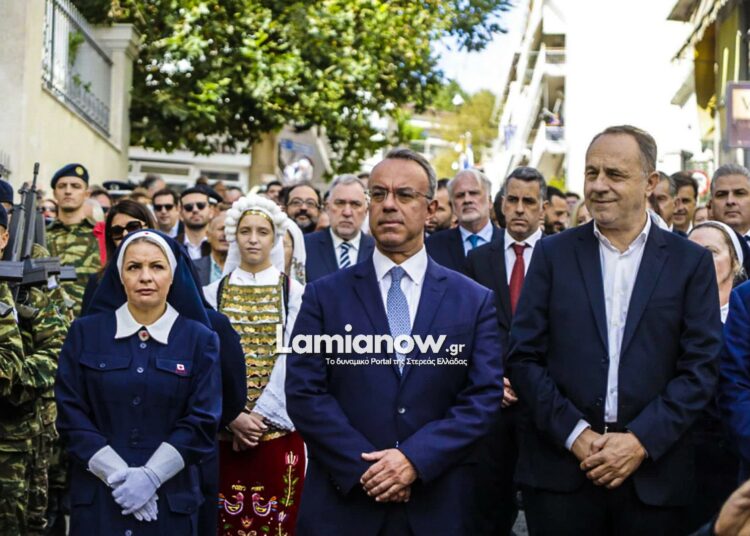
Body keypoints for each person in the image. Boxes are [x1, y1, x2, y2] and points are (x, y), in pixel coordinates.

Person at [507, 125, 722, 535]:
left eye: (615, 174)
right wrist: (576, 436)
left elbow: (701, 368)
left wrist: (640, 441)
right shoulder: (553, 254)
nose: (599, 185)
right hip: (561, 477)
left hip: (654, 480)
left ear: (650, 182)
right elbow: (523, 357)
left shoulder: (689, 263)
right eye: (592, 173)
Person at [285, 148, 503, 535]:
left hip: (437, 505)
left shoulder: (472, 300)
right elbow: (305, 392)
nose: (389, 205)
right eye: (378, 194)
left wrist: (414, 460)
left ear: (431, 209)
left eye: (404, 195)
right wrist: (368, 468)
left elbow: (482, 397)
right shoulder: (324, 296)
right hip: (344, 505)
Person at [55, 229, 221, 533]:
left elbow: (203, 418)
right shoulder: (85, 333)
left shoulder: (200, 339)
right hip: (100, 500)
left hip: (170, 503)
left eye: (157, 266)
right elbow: (70, 412)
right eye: (134, 267)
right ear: (120, 276)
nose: (146, 277)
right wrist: (118, 474)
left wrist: (151, 476)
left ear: (173, 275)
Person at [203, 194, 306, 535]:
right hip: (222, 432)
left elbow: (294, 357)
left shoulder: (295, 294)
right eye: (245, 231)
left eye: (262, 232)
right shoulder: (210, 294)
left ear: (274, 238)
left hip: (275, 431)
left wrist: (259, 417)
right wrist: (232, 416)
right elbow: (207, 361)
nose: (252, 239)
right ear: (234, 235)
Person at [465, 165, 547, 535]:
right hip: (491, 405)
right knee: (489, 511)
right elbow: (467, 330)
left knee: (544, 512)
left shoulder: (562, 257)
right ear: (500, 204)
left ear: (543, 208)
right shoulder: (478, 260)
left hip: (543, 406)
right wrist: (490, 379)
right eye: (512, 200)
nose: (519, 209)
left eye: (529, 201)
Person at [0, 203, 67, 535]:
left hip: (19, 431)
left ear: (4, 238)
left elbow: (58, 349)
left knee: (22, 521)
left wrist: (17, 380)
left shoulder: (29, 291)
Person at [682, 221, 744, 533]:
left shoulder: (742, 311)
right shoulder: (670, 316)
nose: (700, 260)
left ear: (735, 261)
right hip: (685, 458)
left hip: (736, 457)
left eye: (711, 252)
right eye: (692, 252)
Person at [80, 200, 156, 316]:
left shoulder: (171, 272)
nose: (125, 234)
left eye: (133, 227)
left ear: (149, 227)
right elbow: (88, 324)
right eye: (117, 231)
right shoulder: (98, 282)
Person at [46, 163, 102, 316]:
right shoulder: (41, 236)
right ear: (55, 193)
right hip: (48, 322)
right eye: (62, 186)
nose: (68, 191)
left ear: (86, 194)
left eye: (76, 186)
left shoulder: (101, 236)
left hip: (90, 320)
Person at [426, 169, 501, 273]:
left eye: (474, 193)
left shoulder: (509, 242)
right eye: (460, 195)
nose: (467, 200)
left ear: (490, 201)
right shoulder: (433, 245)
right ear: (453, 204)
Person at [305, 174, 375, 282]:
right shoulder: (305, 245)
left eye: (355, 204)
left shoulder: (378, 249)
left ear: (366, 211)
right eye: (340, 203)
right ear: (327, 208)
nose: (347, 212)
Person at [194, 209, 228, 286]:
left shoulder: (246, 269)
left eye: (229, 230)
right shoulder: (192, 268)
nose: (225, 234)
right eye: (221, 229)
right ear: (208, 235)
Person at [178, 186, 213, 260]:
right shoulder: (172, 245)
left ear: (211, 211)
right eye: (188, 207)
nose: (195, 210)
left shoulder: (221, 243)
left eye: (201, 205)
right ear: (180, 214)